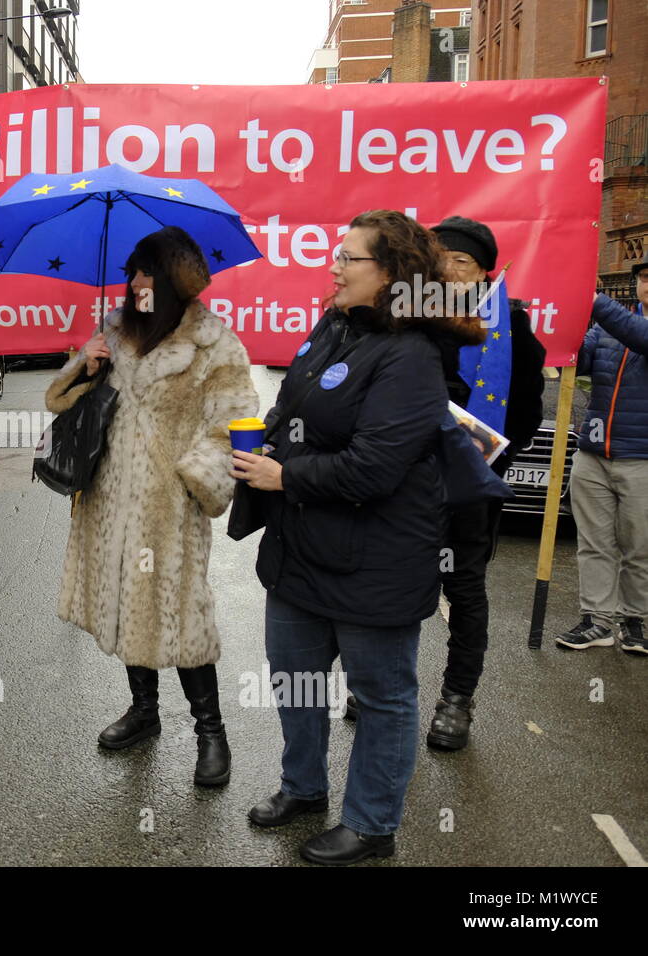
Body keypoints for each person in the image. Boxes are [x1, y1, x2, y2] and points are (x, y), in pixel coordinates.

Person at [232, 210, 484, 865]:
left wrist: (283, 474)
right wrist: (263, 438)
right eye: (336, 256)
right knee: (297, 681)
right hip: (301, 550)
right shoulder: (335, 325)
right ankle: (303, 788)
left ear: (392, 274)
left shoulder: (413, 354)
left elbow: (375, 466)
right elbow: (294, 408)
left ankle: (372, 825)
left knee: (382, 697)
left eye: (349, 259)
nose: (334, 268)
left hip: (378, 559)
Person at [45, 226, 258, 789]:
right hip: (108, 496)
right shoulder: (115, 331)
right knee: (125, 601)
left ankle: (210, 732)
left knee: (182, 613)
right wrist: (83, 367)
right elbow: (63, 404)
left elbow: (234, 422)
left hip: (170, 505)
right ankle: (144, 710)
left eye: (147, 271)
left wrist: (192, 479)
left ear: (175, 280)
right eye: (133, 271)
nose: (135, 281)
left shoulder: (215, 343)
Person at [418, 216, 546, 749]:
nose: (449, 269)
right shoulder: (412, 320)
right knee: (396, 583)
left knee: (464, 591)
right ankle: (383, 683)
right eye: (440, 257)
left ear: (485, 272)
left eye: (462, 261)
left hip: (471, 486)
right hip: (407, 483)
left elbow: (525, 415)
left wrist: (482, 456)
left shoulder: (511, 330)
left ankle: (456, 699)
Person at [555, 261, 648, 655]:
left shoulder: (623, 324)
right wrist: (563, 331)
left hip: (641, 458)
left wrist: (590, 299)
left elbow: (641, 337)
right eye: (645, 278)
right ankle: (597, 620)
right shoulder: (611, 325)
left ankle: (635, 619)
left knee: (639, 545)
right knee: (593, 543)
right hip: (594, 454)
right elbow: (579, 360)